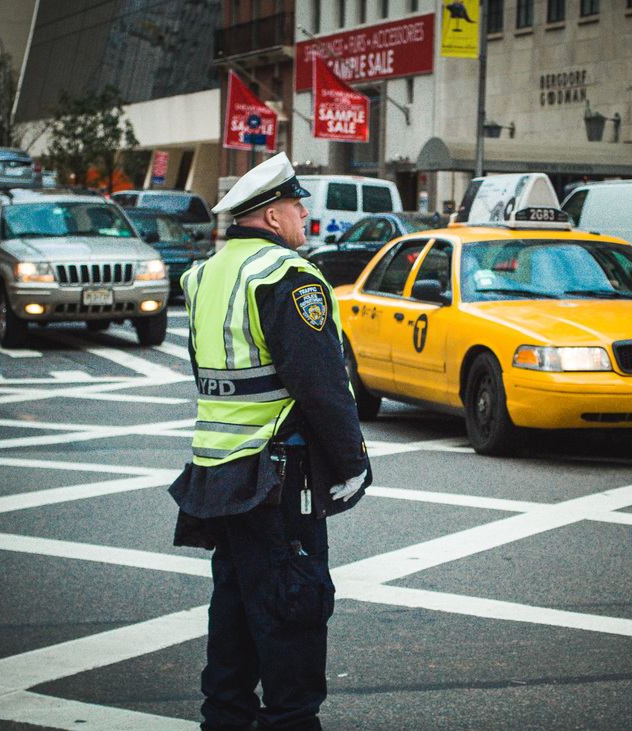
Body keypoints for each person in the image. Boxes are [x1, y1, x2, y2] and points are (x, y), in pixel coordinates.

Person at [169, 151, 371, 731]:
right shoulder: (287, 276)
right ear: (273, 216)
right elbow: (322, 382)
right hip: (278, 472)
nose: (305, 216)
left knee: (234, 603)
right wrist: (352, 462)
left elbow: (206, 368)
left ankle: (226, 718)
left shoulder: (205, 274)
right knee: (293, 602)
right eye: (297, 206)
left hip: (218, 470)